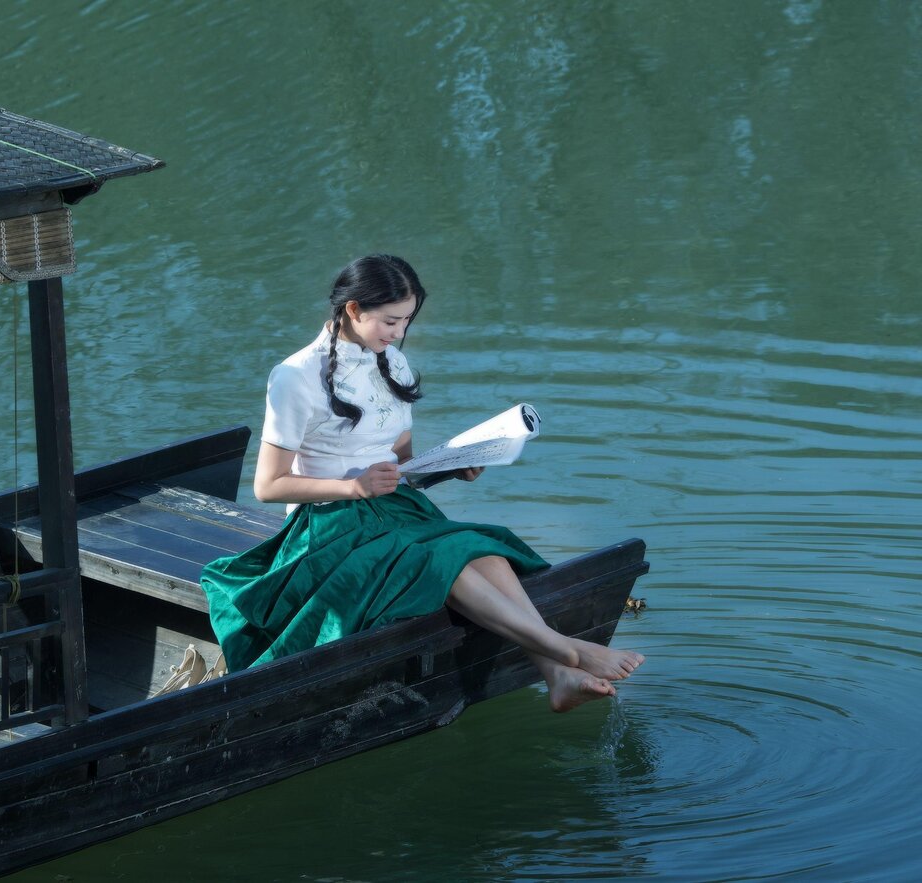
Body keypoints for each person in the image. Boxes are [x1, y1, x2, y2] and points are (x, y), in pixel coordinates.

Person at [201, 254, 643, 712]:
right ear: (353, 309)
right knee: (437, 558)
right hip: (328, 523)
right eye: (389, 321)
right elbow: (269, 486)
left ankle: (557, 673)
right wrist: (354, 488)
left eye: (406, 321)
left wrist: (451, 467)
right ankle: (567, 649)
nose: (397, 333)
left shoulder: (394, 363)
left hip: (395, 508)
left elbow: (403, 465)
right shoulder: (295, 376)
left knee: (482, 549)